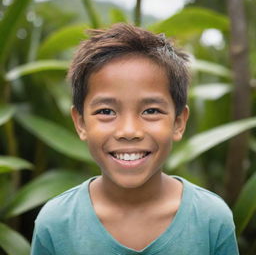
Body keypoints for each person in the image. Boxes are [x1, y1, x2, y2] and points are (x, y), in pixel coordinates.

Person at [31, 23, 239, 255]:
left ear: (179, 122)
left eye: (150, 111)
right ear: (80, 123)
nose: (129, 131)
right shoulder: (56, 223)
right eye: (106, 111)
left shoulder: (211, 219)